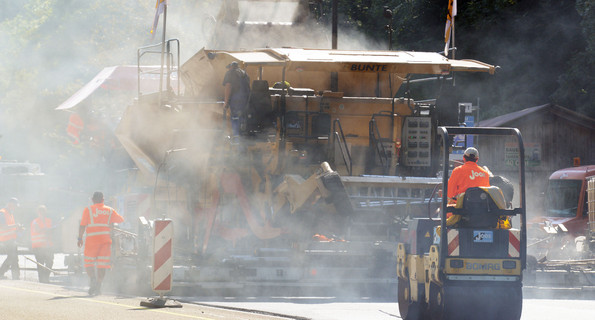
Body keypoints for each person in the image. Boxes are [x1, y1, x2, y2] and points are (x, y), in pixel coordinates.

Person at [77, 192, 124, 295]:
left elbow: (82, 225)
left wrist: (80, 238)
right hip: (105, 242)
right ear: (103, 200)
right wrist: (110, 222)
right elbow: (121, 219)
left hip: (91, 242)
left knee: (89, 263)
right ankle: (98, 286)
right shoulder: (109, 210)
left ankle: (93, 279)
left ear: (93, 200)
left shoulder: (88, 210)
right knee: (102, 265)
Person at [222, 61, 250, 141]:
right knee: (243, 117)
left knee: (235, 117)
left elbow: (228, 87)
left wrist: (226, 102)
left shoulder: (230, 73)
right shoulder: (245, 74)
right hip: (246, 99)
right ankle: (243, 137)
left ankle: (236, 138)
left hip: (236, 99)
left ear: (231, 67)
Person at [30, 205, 54, 283]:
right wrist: (46, 230)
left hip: (48, 245)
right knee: (40, 263)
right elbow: (38, 230)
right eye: (40, 211)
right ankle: (42, 280)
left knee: (50, 261)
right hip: (38, 246)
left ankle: (46, 278)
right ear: (38, 212)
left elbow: (52, 230)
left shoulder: (49, 220)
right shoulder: (35, 221)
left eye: (43, 211)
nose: (42, 213)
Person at [0, 198, 20, 280]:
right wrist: (16, 225)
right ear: (10, 204)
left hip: (11, 240)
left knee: (14, 257)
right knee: (12, 257)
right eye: (15, 205)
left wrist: (18, 228)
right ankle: (1, 272)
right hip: (5, 240)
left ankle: (16, 276)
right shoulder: (2, 213)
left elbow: (10, 228)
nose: (15, 207)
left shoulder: (10, 213)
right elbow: (3, 227)